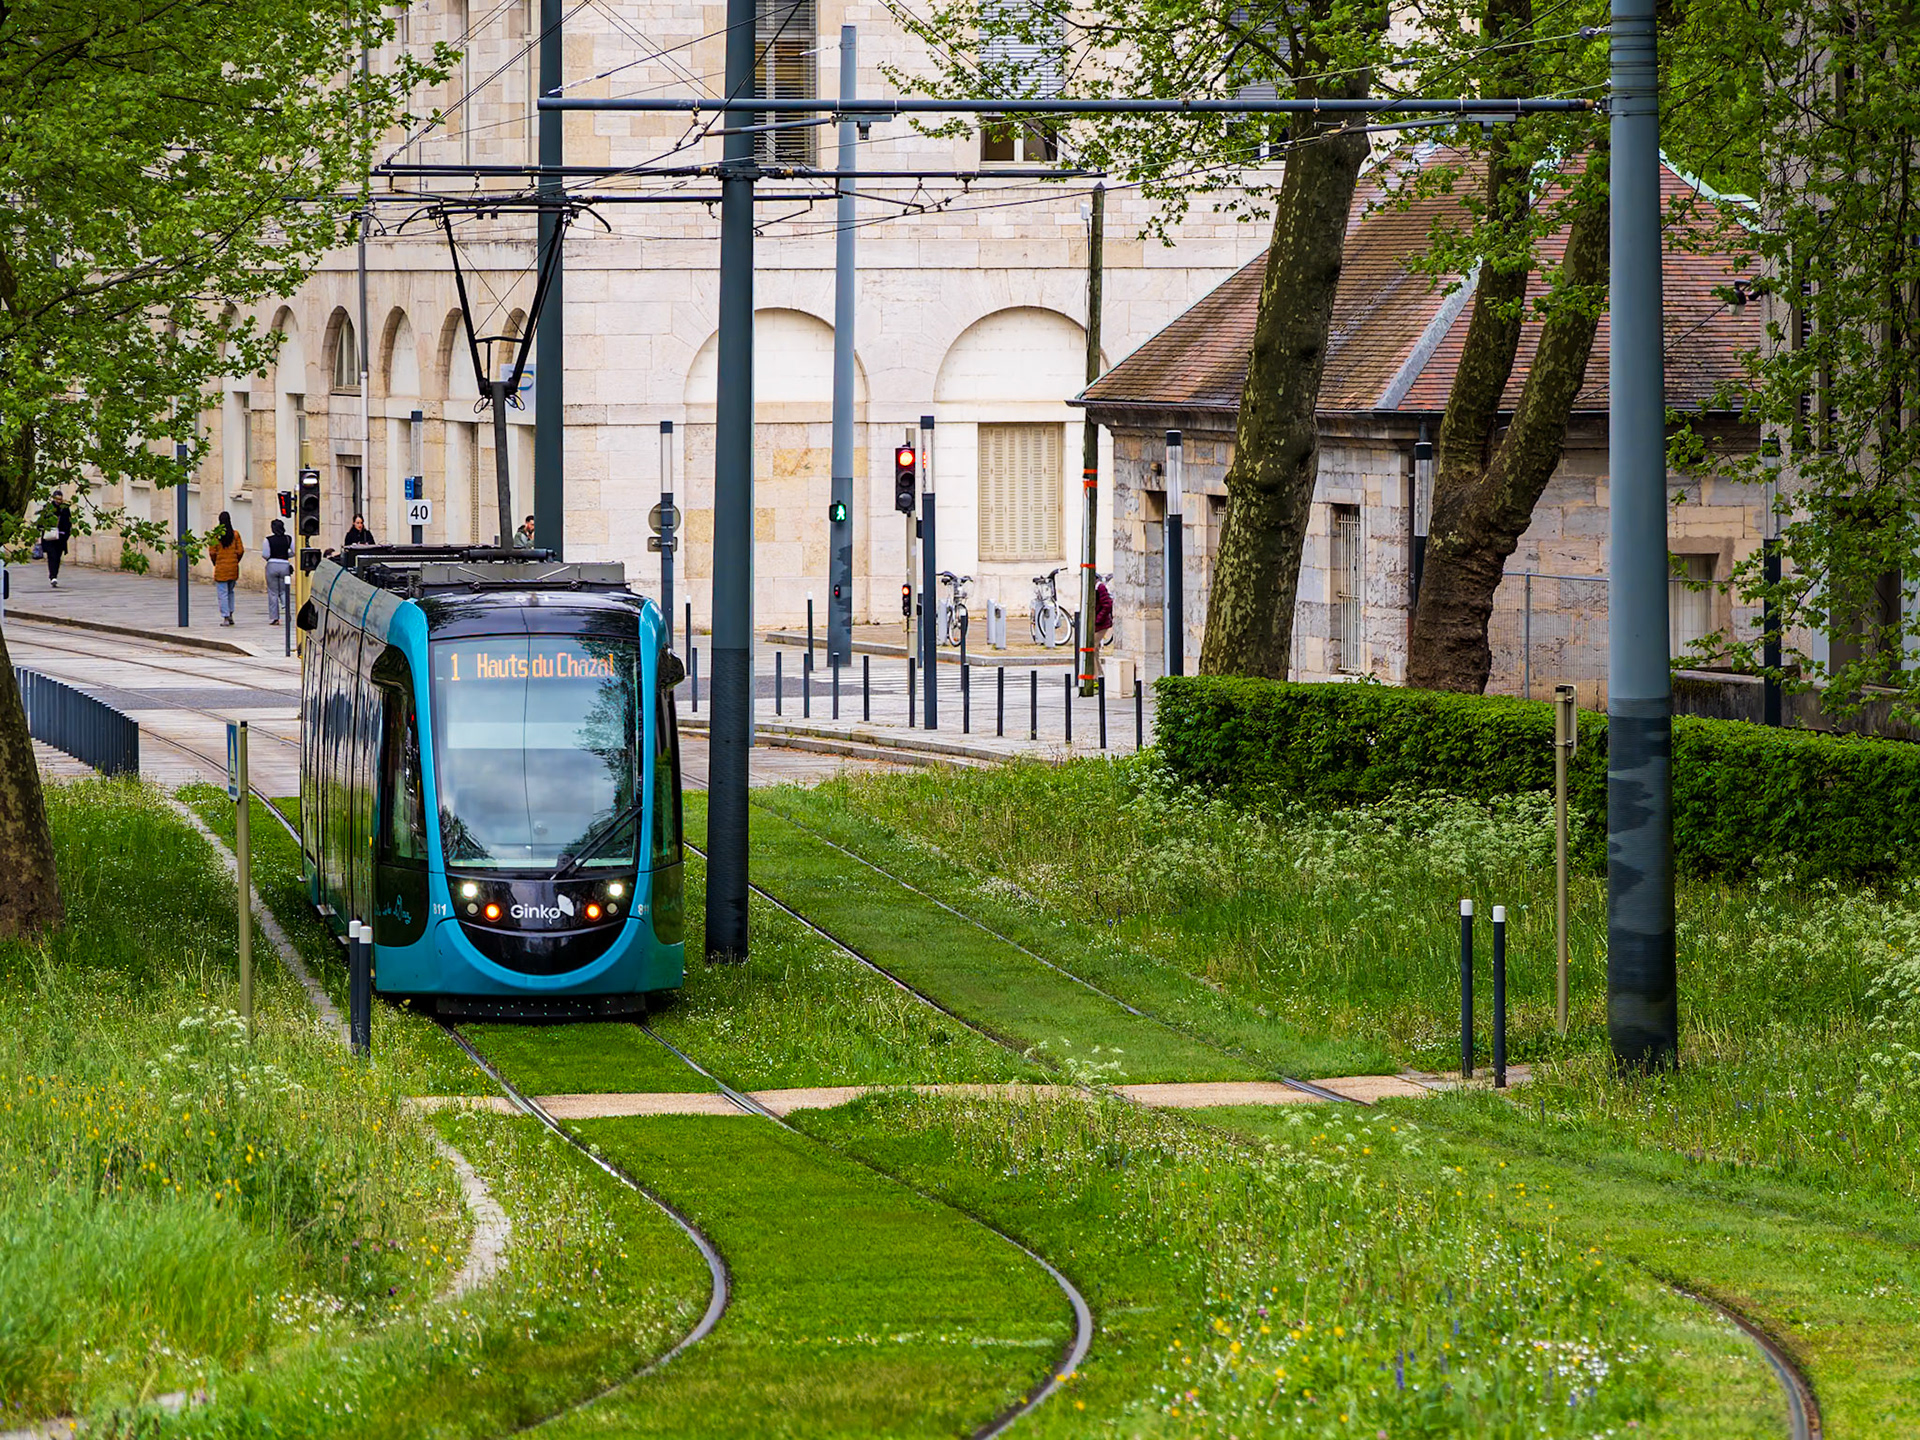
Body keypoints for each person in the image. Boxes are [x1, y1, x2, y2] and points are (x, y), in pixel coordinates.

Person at [208, 512, 245, 626]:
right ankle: (231, 613)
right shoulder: (235, 534)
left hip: (221, 568)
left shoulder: (216, 536)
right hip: (233, 567)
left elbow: (212, 552)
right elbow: (240, 551)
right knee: (230, 592)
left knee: (222, 593)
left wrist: (216, 562)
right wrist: (235, 560)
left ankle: (225, 616)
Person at [264, 518, 294, 626]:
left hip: (272, 565)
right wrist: (286, 555)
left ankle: (274, 618)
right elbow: (294, 551)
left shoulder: (268, 540)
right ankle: (287, 611)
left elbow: (265, 554)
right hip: (285, 565)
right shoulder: (288, 538)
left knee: (273, 592)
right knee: (284, 591)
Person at [39, 490, 71, 588]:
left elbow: (68, 522)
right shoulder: (48, 508)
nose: (59, 501)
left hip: (60, 537)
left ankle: (55, 575)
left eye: (60, 499)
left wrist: (66, 534)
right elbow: (41, 522)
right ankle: (52, 576)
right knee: (51, 556)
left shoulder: (65, 509)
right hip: (49, 537)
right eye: (57, 499)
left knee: (57, 557)